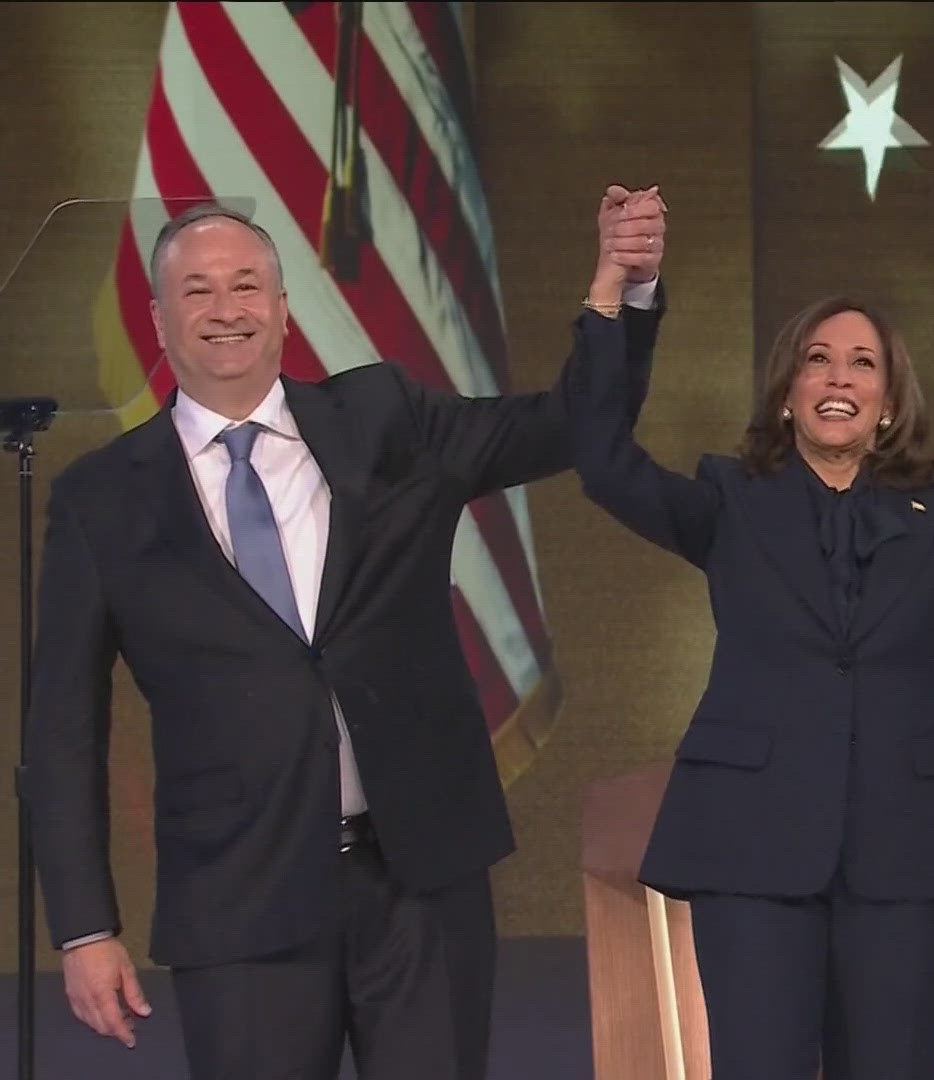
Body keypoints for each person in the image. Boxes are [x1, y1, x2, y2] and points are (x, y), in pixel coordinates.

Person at [24, 188, 666, 1079]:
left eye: (248, 286)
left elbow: (565, 427)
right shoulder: (102, 497)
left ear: (282, 311)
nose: (227, 310)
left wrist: (618, 294)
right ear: (159, 317)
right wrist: (86, 928)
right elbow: (60, 731)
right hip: (240, 900)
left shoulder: (384, 421)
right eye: (200, 290)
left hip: (418, 881)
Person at [564, 212, 934, 1078]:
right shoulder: (728, 501)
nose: (838, 377)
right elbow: (599, 459)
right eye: (818, 359)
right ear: (786, 393)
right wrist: (617, 296)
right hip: (752, 844)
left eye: (863, 363)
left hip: (905, 845)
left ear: (888, 404)